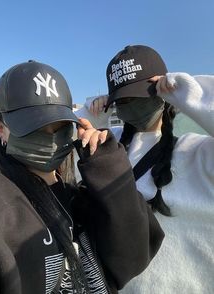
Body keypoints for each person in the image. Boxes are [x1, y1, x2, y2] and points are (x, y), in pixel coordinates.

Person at [0, 60, 164, 294]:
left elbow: (134, 259)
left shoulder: (81, 199)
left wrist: (106, 163)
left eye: (61, 126)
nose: (51, 138)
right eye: (33, 127)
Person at [79, 45, 214, 294]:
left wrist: (190, 93)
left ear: (163, 91)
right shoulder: (108, 144)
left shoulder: (199, 152)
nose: (129, 106)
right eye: (121, 100)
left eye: (138, 96)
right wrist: (89, 115)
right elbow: (57, 140)